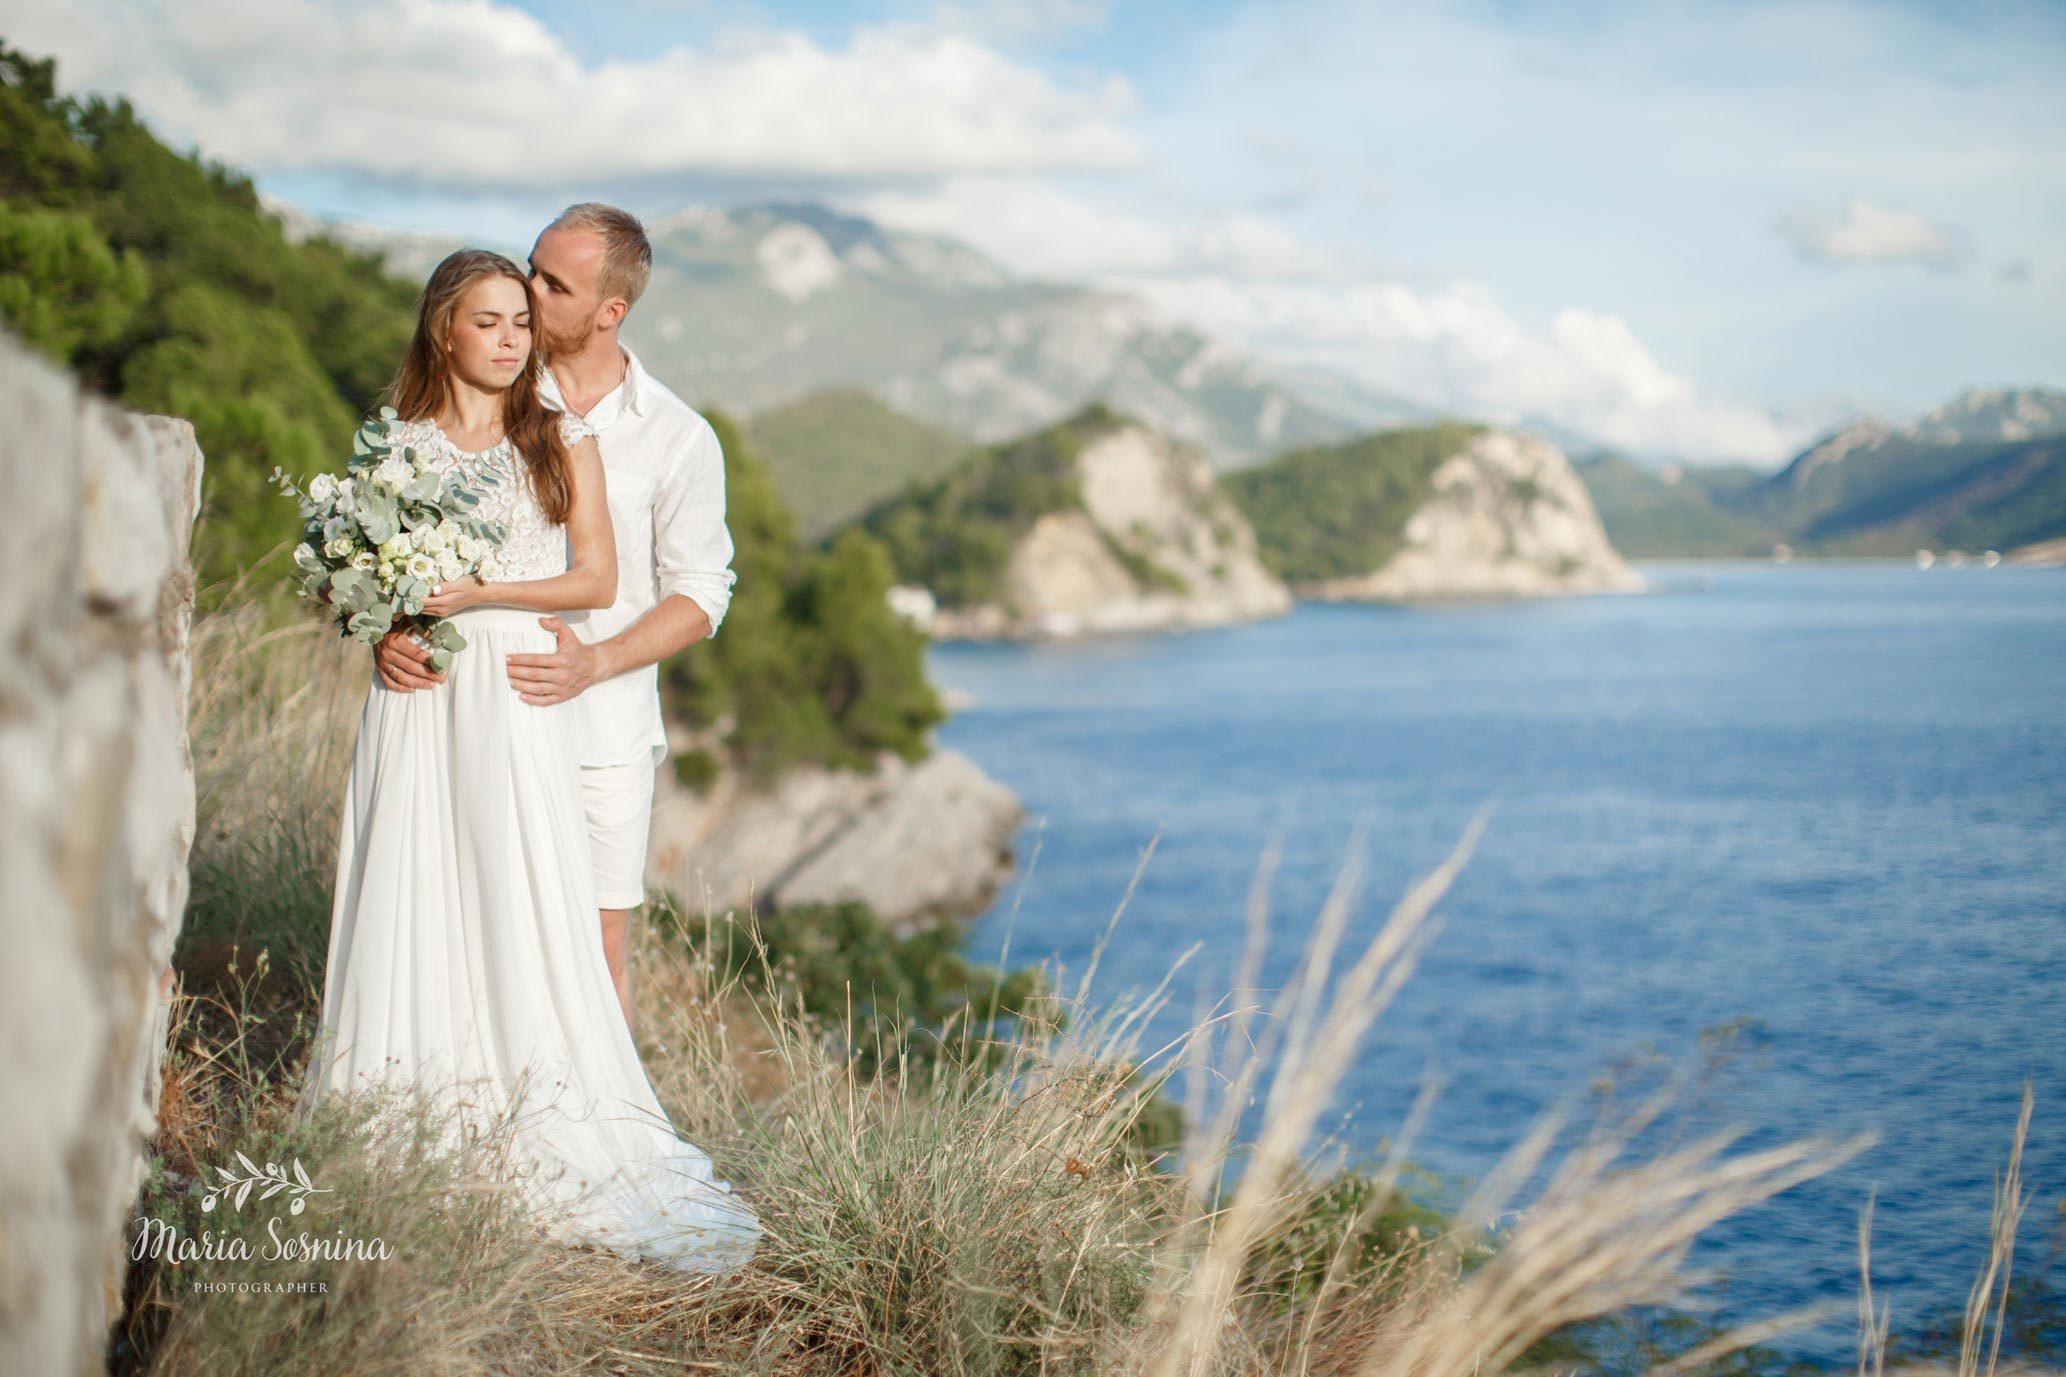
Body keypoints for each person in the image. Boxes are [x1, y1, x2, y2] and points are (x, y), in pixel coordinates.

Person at [302, 248, 760, 1274]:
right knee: (414, 887)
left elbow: (595, 579)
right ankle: (403, 1112)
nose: (513, 338)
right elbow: (359, 584)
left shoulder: (560, 438)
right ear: (443, 331)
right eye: (492, 321)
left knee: (518, 892)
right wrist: (381, 630)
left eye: (522, 320)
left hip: (512, 694)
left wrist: (479, 596)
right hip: (417, 700)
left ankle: (536, 1106)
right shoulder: (394, 448)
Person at [372, 203, 735, 1037]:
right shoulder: (485, 388)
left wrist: (596, 663)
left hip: (604, 733)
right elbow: (407, 553)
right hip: (472, 718)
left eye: (551, 283)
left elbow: (702, 593)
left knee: (600, 949)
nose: (527, 291)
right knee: (464, 928)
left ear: (611, 311)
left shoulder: (678, 436)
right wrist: (389, 632)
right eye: (532, 267)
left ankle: (601, 1133)